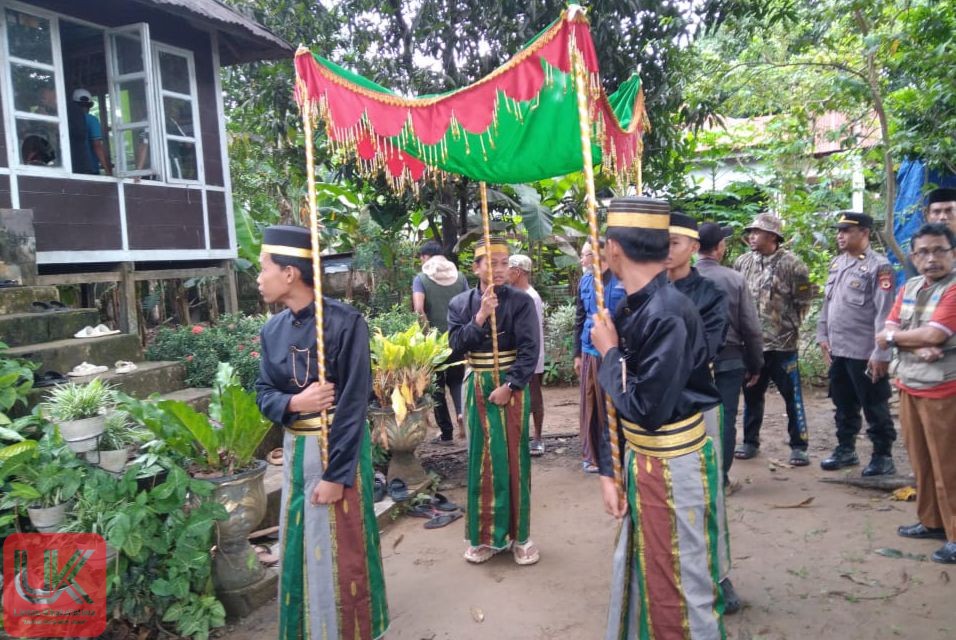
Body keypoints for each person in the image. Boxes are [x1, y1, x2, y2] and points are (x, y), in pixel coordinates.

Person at [591, 197, 725, 640]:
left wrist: (610, 353)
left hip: (672, 466)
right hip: (645, 463)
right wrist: (609, 471)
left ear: (614, 249)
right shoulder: (635, 307)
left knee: (680, 581)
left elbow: (647, 410)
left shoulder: (667, 313)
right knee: (648, 569)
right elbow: (622, 402)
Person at [254, 225, 389, 639]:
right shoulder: (272, 330)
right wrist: (296, 402)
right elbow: (264, 392)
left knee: (344, 544)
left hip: (337, 451)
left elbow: (353, 404)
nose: (258, 278)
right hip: (297, 449)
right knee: (300, 538)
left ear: (289, 273)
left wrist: (336, 476)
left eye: (263, 267)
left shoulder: (347, 324)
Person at [448, 237, 541, 565]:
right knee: (482, 460)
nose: (500, 269)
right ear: (476, 267)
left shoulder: (521, 302)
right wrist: (480, 316)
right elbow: (455, 346)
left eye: (505, 263)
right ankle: (485, 537)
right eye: (492, 263)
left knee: (514, 458)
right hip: (477, 386)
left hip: (511, 388)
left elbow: (530, 350)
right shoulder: (460, 303)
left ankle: (520, 536)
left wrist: (511, 385)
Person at [665, 213, 739, 614]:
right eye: (660, 242)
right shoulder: (644, 289)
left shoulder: (709, 294)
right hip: (652, 409)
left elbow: (702, 352)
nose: (665, 250)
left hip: (696, 403)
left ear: (694, 247)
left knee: (705, 490)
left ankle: (718, 574)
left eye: (674, 242)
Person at [876, 223, 956, 565]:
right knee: (921, 460)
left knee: (949, 465)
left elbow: (935, 335)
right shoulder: (909, 286)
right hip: (909, 384)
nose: (931, 258)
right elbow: (887, 328)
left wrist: (900, 338)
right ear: (913, 256)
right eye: (923, 252)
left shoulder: (953, 288)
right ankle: (932, 521)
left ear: (953, 253)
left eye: (939, 250)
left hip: (945, 389)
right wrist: (913, 342)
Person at [816, 212, 897, 476]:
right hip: (839, 349)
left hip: (864, 351)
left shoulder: (879, 267)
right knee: (843, 403)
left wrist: (881, 353)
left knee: (875, 404)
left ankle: (882, 456)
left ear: (864, 233)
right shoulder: (838, 263)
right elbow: (828, 304)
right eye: (838, 231)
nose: (840, 236)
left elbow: (885, 314)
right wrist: (823, 336)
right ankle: (846, 449)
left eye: (846, 231)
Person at [734, 212, 814, 466]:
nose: (751, 236)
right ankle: (750, 441)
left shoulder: (794, 265)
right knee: (752, 395)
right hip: (752, 345)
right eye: (751, 232)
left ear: (772, 236)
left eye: (757, 232)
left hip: (782, 344)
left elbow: (804, 301)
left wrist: (789, 326)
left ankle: (799, 446)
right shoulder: (742, 263)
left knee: (792, 397)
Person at [696, 221, 764, 487]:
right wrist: (756, 364)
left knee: (694, 417)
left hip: (693, 361)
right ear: (720, 247)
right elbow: (751, 327)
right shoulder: (734, 279)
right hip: (729, 359)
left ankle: (699, 477)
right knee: (725, 418)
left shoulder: (683, 278)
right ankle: (720, 478)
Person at [573, 240, 627, 474]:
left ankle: (615, 453)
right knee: (590, 405)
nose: (582, 259)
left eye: (585, 254)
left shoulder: (622, 278)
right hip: (589, 350)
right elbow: (579, 317)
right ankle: (592, 455)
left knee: (613, 403)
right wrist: (577, 353)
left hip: (615, 351)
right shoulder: (585, 281)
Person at [412, 240, 468, 444]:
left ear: (425, 257)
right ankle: (461, 414)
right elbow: (468, 305)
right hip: (457, 338)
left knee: (437, 388)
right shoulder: (460, 277)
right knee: (457, 381)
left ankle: (446, 433)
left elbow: (419, 308)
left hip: (434, 343)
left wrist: (427, 334)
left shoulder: (420, 279)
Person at [508, 254, 546, 456]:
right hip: (517, 354)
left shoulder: (531, 297)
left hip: (531, 354)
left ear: (517, 272)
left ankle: (538, 438)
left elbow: (533, 332)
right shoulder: (513, 294)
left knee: (534, 395)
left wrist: (532, 358)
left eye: (508, 268)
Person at [70, 89, 111, 175]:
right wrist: (107, 170)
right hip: (90, 168)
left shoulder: (67, 121)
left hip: (71, 168)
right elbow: (97, 146)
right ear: (89, 106)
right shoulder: (92, 120)